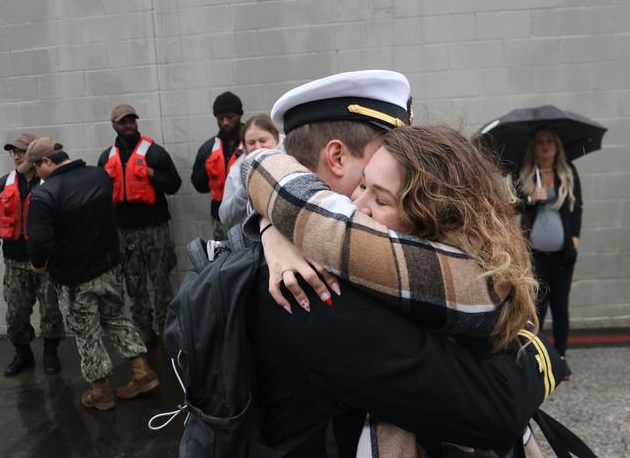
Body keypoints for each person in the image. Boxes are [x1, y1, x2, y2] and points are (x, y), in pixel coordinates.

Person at [239, 71, 558, 456]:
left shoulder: (349, 256)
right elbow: (497, 408)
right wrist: (539, 359)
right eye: (366, 184)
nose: (357, 207)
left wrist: (269, 222)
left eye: (381, 197)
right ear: (337, 156)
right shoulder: (320, 286)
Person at [22, 138, 159, 410]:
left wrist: (38, 263)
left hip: (74, 279)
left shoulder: (44, 195)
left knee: (87, 333)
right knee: (117, 319)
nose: (34, 173)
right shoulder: (99, 176)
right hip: (107, 268)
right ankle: (141, 372)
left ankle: (100, 391)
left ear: (46, 162)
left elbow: (39, 242)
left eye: (35, 167)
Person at [97, 104, 181, 345]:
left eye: (132, 120)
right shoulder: (106, 158)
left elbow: (174, 184)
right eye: (123, 122)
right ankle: (143, 327)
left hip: (155, 227)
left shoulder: (155, 153)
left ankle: (167, 326)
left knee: (161, 279)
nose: (128, 125)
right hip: (125, 231)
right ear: (114, 125)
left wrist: (153, 174)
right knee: (134, 282)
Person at [0, 133, 64, 377]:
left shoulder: (50, 182)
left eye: (21, 151)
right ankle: (23, 353)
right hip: (15, 261)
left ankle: (50, 352)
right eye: (13, 152)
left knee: (50, 310)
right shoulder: (3, 185)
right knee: (16, 312)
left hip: (47, 262)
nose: (17, 156)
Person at [517, 128, 583, 367]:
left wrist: (575, 237)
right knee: (537, 306)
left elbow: (578, 208)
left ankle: (561, 357)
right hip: (535, 254)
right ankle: (539, 358)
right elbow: (513, 207)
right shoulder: (525, 174)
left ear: (557, 147)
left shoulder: (567, 173)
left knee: (560, 305)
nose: (545, 146)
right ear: (534, 147)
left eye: (550, 142)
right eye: (540, 142)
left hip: (563, 254)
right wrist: (530, 199)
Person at [191, 91, 243, 240]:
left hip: (247, 216)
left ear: (239, 115)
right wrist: (208, 167)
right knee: (224, 259)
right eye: (221, 118)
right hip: (220, 219)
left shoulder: (252, 142)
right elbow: (199, 186)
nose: (225, 122)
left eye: (230, 117)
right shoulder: (208, 148)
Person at [218, 114, 280, 228]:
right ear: (245, 147)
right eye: (251, 143)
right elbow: (225, 217)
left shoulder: (293, 159)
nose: (258, 147)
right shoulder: (237, 171)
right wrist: (246, 188)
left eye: (263, 140)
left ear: (276, 138)